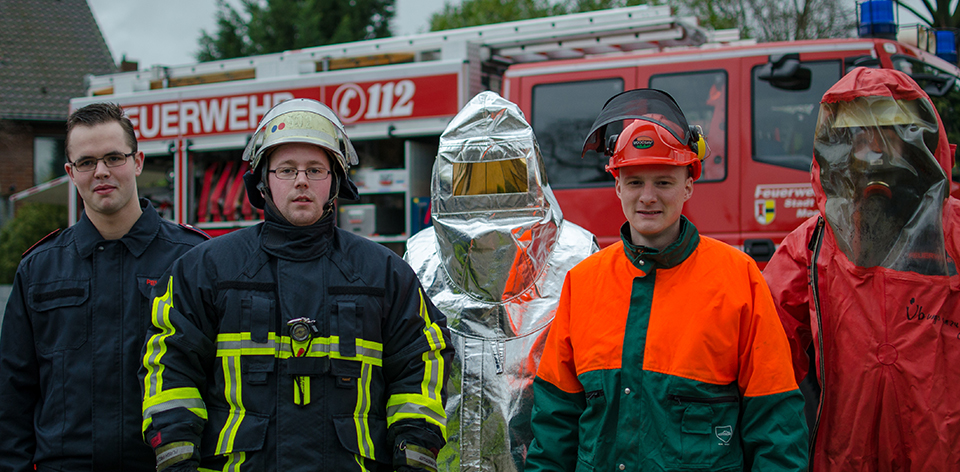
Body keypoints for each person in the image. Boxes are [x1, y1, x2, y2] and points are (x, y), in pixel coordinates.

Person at [139, 98, 452, 472]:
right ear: (264, 181)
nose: (301, 180)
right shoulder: (206, 269)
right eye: (286, 169)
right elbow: (169, 364)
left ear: (335, 181)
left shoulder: (384, 273)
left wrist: (414, 456)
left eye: (315, 169)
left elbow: (423, 362)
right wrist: (177, 459)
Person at [524, 89, 808, 472]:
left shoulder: (739, 279)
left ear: (689, 185)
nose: (648, 197)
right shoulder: (584, 283)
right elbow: (556, 423)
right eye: (635, 181)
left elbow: (775, 423)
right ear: (617, 186)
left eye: (664, 182)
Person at [764, 67, 960, 471]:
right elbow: (765, 349)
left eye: (890, 132)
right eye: (859, 135)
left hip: (941, 451)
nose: (874, 149)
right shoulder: (811, 245)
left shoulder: (954, 233)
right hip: (846, 453)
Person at [0, 102, 209, 471]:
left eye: (114, 158)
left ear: (138, 162)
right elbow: (13, 393)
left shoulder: (193, 260)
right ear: (70, 172)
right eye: (86, 162)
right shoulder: (39, 269)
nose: (101, 172)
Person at [404, 91, 598, 471]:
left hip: (548, 459)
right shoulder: (420, 254)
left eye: (504, 170)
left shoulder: (577, 253)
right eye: (474, 173)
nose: (490, 191)